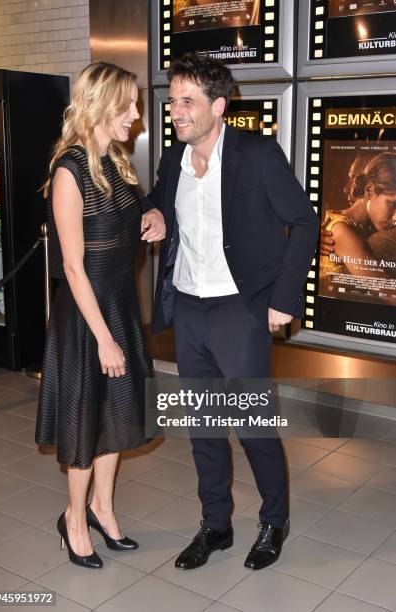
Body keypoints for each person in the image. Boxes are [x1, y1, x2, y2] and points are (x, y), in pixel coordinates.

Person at [143, 53, 319, 571]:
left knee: (252, 423)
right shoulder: (174, 159)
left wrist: (283, 300)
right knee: (202, 426)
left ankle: (275, 520)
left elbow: (303, 224)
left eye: (187, 101)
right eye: (173, 99)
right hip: (189, 308)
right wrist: (154, 211)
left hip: (241, 310)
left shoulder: (258, 154)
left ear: (218, 106)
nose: (175, 110)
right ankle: (215, 525)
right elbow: (160, 197)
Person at [35, 62, 164, 569]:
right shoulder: (69, 170)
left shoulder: (115, 162)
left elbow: (129, 219)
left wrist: (151, 215)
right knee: (87, 420)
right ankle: (72, 519)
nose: (136, 115)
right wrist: (104, 338)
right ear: (101, 106)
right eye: (129, 105)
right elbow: (71, 265)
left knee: (119, 416)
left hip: (120, 306)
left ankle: (103, 509)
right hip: (87, 317)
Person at [319, 152, 396, 304]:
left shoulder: (369, 227)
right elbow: (389, 293)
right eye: (392, 204)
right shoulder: (340, 230)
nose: (395, 217)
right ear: (370, 190)